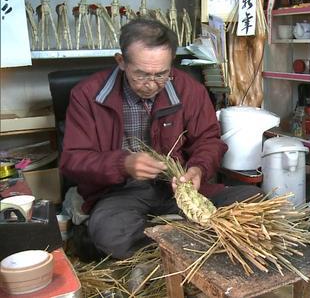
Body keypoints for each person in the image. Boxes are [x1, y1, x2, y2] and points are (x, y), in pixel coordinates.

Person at [60, 19, 261, 259]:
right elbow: (73, 160)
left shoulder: (190, 90)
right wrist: (122, 164)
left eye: (162, 74)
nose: (152, 84)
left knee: (253, 202)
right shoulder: (88, 95)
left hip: (178, 188)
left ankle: (173, 241)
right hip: (119, 193)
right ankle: (187, 243)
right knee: (110, 231)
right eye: (142, 74)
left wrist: (198, 169)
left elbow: (209, 141)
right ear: (121, 62)